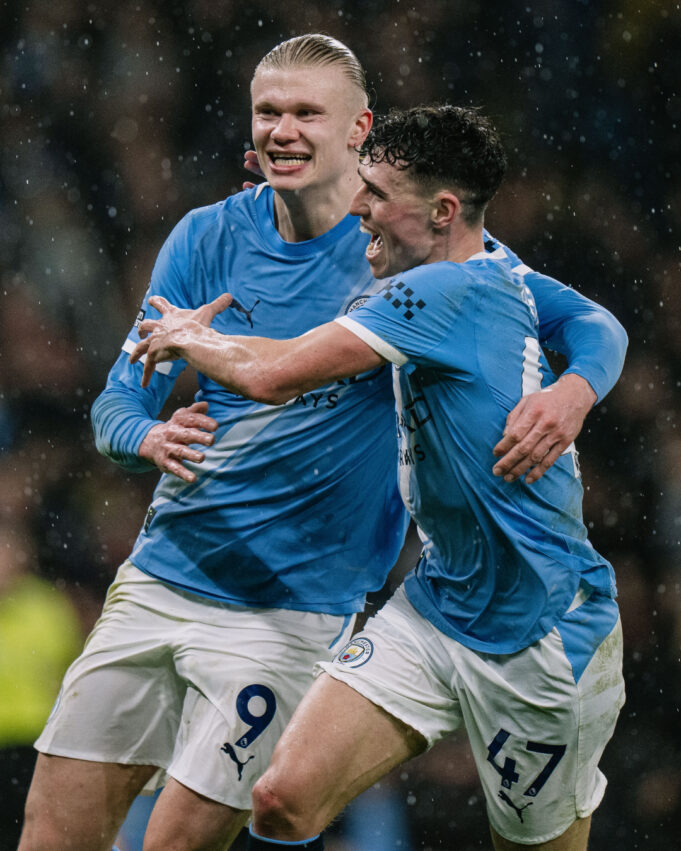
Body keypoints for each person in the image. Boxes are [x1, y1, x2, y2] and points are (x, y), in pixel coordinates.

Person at [19, 34, 626, 851]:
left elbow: (591, 321)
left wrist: (572, 391)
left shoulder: (414, 249)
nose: (282, 130)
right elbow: (118, 402)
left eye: (306, 112)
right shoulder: (206, 238)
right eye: (267, 112)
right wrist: (148, 436)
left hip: (293, 608)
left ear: (358, 129)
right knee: (52, 836)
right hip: (164, 575)